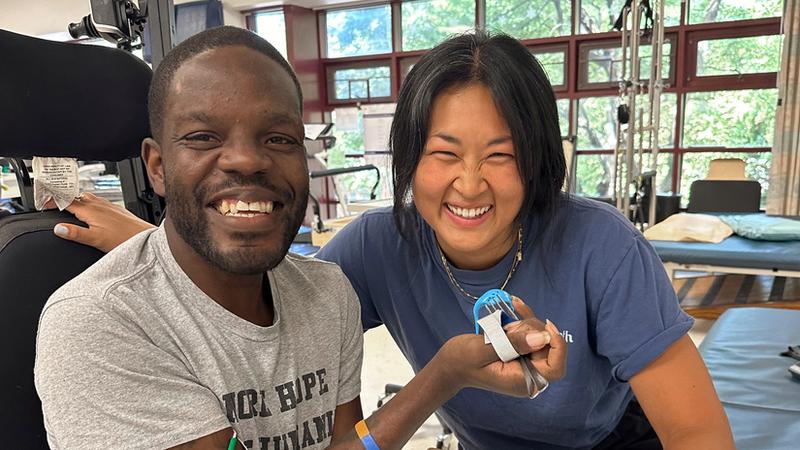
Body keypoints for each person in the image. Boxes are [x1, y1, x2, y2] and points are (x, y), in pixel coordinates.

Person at [52, 31, 734, 449]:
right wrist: (151, 241)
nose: (470, 185)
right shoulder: (377, 248)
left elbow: (699, 431)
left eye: (501, 154)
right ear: (410, 160)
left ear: (539, 161)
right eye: (443, 153)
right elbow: (266, 275)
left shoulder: (603, 247)